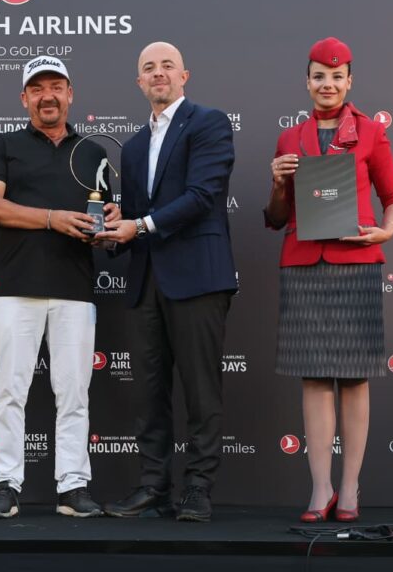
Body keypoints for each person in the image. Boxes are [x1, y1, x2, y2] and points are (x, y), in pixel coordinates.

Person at [263, 37, 393, 523]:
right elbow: (276, 217)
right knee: (315, 376)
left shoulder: (370, 132)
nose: (328, 83)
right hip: (304, 263)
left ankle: (349, 487)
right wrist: (278, 182)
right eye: (319, 76)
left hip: (355, 263)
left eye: (337, 76)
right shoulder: (289, 138)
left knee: (355, 377)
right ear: (307, 82)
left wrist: (386, 231)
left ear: (349, 81)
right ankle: (320, 487)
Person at [96, 42, 236, 523]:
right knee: (148, 393)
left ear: (184, 76)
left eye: (167, 66)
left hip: (198, 277)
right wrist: (115, 225)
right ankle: (154, 486)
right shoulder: (134, 146)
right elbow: (138, 216)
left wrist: (139, 225)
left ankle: (198, 487)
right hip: (146, 281)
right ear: (139, 82)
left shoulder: (209, 123)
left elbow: (202, 195)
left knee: (201, 390)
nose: (159, 73)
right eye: (149, 68)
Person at [0, 56, 117, 519]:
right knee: (9, 391)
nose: (48, 96)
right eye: (37, 89)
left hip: (75, 288)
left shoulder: (93, 152)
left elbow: (105, 220)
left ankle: (73, 486)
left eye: (56, 86)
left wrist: (111, 224)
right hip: (15, 287)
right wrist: (52, 218)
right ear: (24, 98)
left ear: (70, 94)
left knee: (74, 394)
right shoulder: (4, 144)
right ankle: (4, 483)